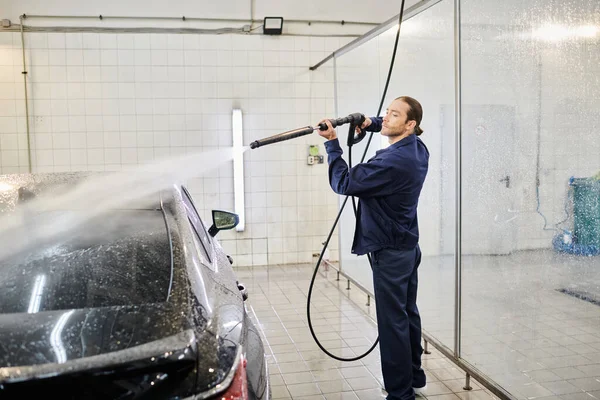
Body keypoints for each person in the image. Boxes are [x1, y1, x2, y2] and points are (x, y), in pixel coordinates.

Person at [317, 96, 429, 400]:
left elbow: (344, 183)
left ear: (410, 124)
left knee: (392, 323)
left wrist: (332, 144)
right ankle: (415, 378)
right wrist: (371, 123)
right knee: (407, 313)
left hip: (390, 252)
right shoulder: (417, 148)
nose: (387, 117)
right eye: (387, 112)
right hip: (406, 246)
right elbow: (386, 126)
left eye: (394, 115)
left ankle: (399, 393)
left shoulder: (393, 162)